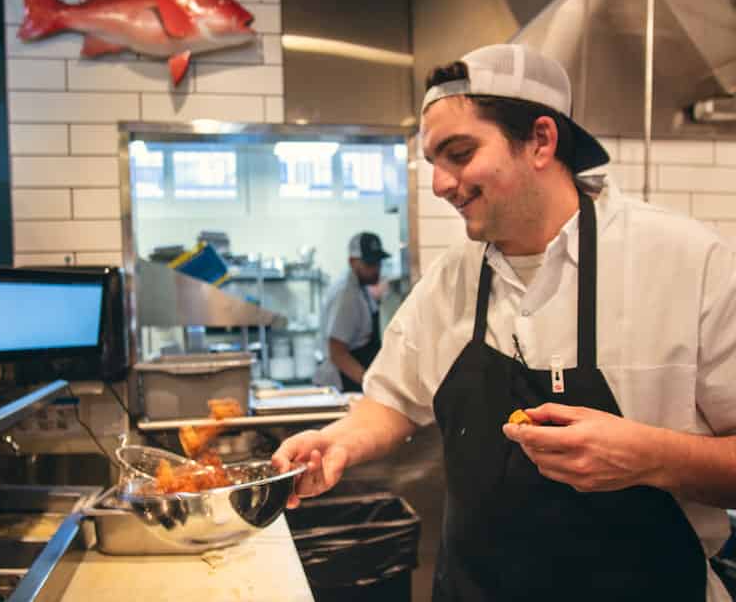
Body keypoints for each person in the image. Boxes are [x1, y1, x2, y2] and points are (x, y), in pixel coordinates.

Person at [274, 43, 736, 601]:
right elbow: (392, 401)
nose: (442, 183)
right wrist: (336, 443)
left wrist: (650, 457)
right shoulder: (453, 280)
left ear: (540, 140)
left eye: (460, 153)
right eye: (434, 163)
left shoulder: (689, 262)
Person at [312, 231, 390, 392]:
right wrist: (371, 385)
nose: (376, 269)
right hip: (341, 383)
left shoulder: (360, 287)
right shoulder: (346, 295)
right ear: (352, 262)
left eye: (378, 263)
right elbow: (337, 352)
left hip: (351, 378)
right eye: (369, 264)